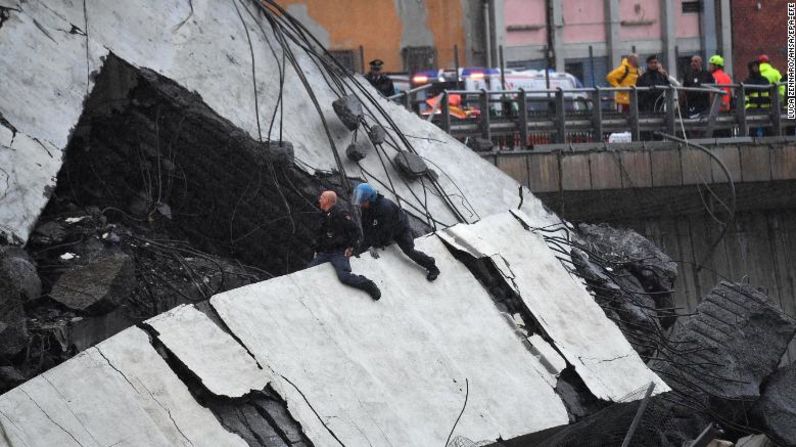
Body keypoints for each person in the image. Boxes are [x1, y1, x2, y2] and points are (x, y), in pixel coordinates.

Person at [352, 183, 440, 281]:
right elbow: (366, 226)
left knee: (409, 250)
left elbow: (386, 233)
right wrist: (367, 244)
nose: (360, 204)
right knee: (363, 245)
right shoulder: (366, 207)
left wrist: (375, 245)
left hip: (399, 229)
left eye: (362, 202)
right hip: (382, 226)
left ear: (370, 199)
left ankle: (432, 266)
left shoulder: (385, 208)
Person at [308, 191, 381, 300]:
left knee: (344, 276)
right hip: (326, 252)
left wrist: (350, 247)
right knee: (309, 270)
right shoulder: (324, 215)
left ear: (328, 201)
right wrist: (317, 250)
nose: (319, 200)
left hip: (338, 252)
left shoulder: (340, 214)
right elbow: (322, 236)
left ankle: (367, 284)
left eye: (322, 197)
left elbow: (356, 231)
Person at [744, 60, 771, 137]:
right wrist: (747, 108)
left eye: (757, 66)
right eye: (754, 67)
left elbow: (770, 93)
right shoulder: (748, 81)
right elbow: (744, 96)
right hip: (752, 109)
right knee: (754, 131)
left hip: (765, 109)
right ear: (750, 69)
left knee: (767, 131)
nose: (755, 68)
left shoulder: (765, 80)